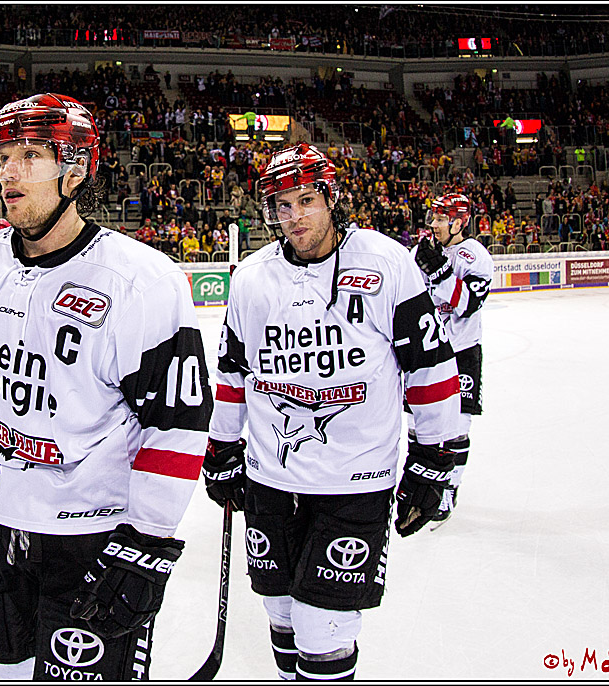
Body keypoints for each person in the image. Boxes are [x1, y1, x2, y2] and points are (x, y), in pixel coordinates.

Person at [0, 93, 213, 681]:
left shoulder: (141, 282)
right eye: (2, 155)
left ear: (75, 168)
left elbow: (176, 423)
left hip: (92, 537)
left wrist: (148, 540)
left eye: (30, 154)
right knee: (9, 670)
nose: (8, 172)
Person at [201, 143, 461, 680]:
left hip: (356, 479)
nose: (295, 216)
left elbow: (431, 368)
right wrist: (222, 446)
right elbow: (232, 372)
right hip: (272, 476)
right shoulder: (252, 277)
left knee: (325, 628)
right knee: (282, 611)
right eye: (282, 205)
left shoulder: (387, 262)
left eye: (306, 200)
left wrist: (436, 457)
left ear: (332, 197)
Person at [409, 193, 494, 525]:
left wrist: (442, 272)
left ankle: (448, 487)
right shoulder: (422, 252)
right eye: (433, 218)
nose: (433, 225)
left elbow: (469, 304)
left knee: (456, 427)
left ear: (459, 223)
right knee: (420, 426)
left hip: (461, 353)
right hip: (428, 351)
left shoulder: (475, 257)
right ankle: (420, 486)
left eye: (440, 219)